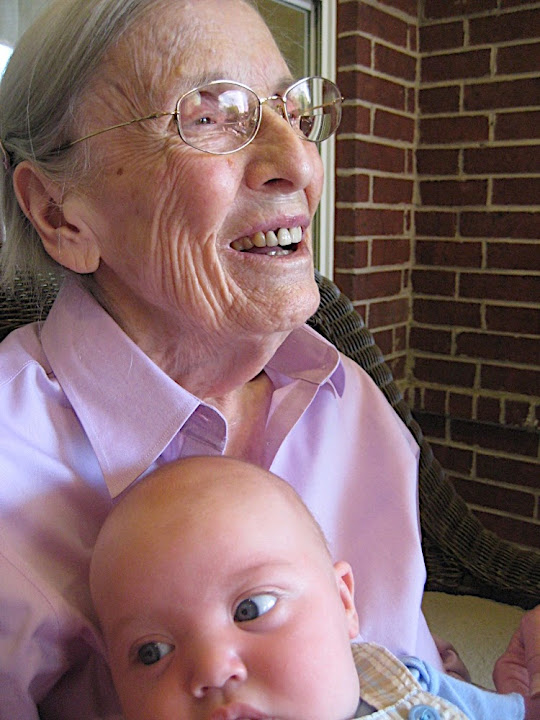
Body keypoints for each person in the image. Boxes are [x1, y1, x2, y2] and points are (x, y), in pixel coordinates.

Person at [0, 0, 537, 717]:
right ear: (59, 213)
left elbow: (394, 670)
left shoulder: (346, 400)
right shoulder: (12, 460)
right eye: (211, 115)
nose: (301, 163)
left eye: (294, 112)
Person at [89, 455, 533, 720]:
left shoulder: (399, 681)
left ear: (343, 602)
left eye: (251, 609)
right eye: (152, 652)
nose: (211, 670)